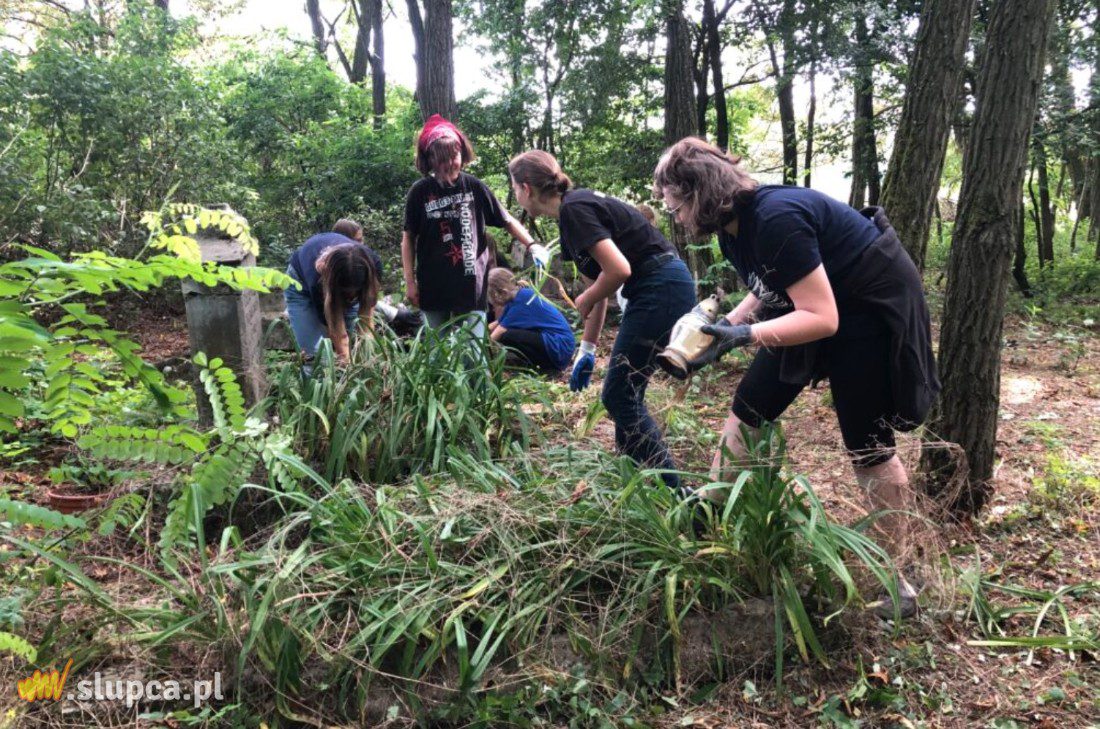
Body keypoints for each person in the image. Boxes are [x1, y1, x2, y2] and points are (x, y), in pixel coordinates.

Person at [653, 137, 941, 619]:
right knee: (747, 408)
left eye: (676, 206)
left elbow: (823, 317)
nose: (675, 218)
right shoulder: (732, 227)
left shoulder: (776, 218)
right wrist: (718, 329)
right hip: (810, 304)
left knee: (868, 444)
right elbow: (766, 287)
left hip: (865, 309)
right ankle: (711, 516)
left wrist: (744, 335)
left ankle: (895, 581)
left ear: (700, 193)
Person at [508, 150, 697, 492]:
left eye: (514, 189)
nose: (516, 196)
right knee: (627, 394)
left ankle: (676, 496)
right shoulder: (572, 221)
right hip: (658, 287)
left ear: (525, 188)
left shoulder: (575, 209)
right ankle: (637, 484)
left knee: (618, 396)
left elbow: (617, 272)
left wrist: (585, 298)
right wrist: (587, 349)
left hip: (660, 286)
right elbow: (599, 288)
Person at [401, 115, 547, 344]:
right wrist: (410, 282)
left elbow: (506, 220)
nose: (449, 163)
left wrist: (533, 245)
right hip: (433, 285)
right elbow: (408, 238)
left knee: (473, 354)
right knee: (434, 351)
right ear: (429, 160)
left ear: (462, 154)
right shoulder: (419, 192)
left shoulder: (474, 187)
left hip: (471, 287)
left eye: (454, 156)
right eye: (442, 159)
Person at [285, 218, 382, 364]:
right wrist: (345, 361)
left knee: (357, 342)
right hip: (300, 283)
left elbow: (366, 319)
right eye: (346, 293)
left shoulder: (373, 264)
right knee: (314, 355)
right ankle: (317, 381)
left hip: (335, 281)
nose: (350, 298)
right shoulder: (317, 279)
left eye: (355, 293)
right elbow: (337, 331)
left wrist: (367, 359)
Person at [486, 267, 575, 373]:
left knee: (506, 335)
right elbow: (496, 324)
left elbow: (497, 333)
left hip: (559, 347)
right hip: (560, 345)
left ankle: (547, 367)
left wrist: (481, 355)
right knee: (507, 334)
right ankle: (539, 364)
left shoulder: (522, 302)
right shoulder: (518, 296)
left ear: (503, 293)